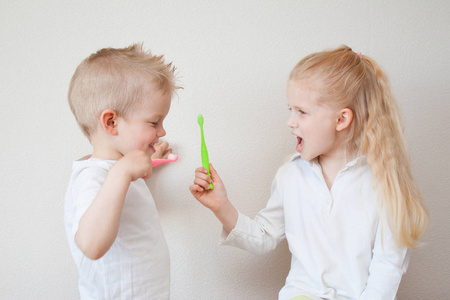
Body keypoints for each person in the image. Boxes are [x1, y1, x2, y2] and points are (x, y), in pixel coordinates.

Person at [190, 46, 428, 300]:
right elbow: (262, 237)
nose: (290, 121)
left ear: (341, 120)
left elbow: (388, 266)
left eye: (301, 112)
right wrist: (221, 206)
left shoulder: (384, 181)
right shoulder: (290, 176)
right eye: (290, 110)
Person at [64, 43, 179, 299]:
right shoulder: (93, 177)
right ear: (111, 122)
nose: (162, 131)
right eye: (154, 122)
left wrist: (150, 161)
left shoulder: (115, 169)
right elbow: (91, 245)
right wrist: (123, 172)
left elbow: (122, 200)